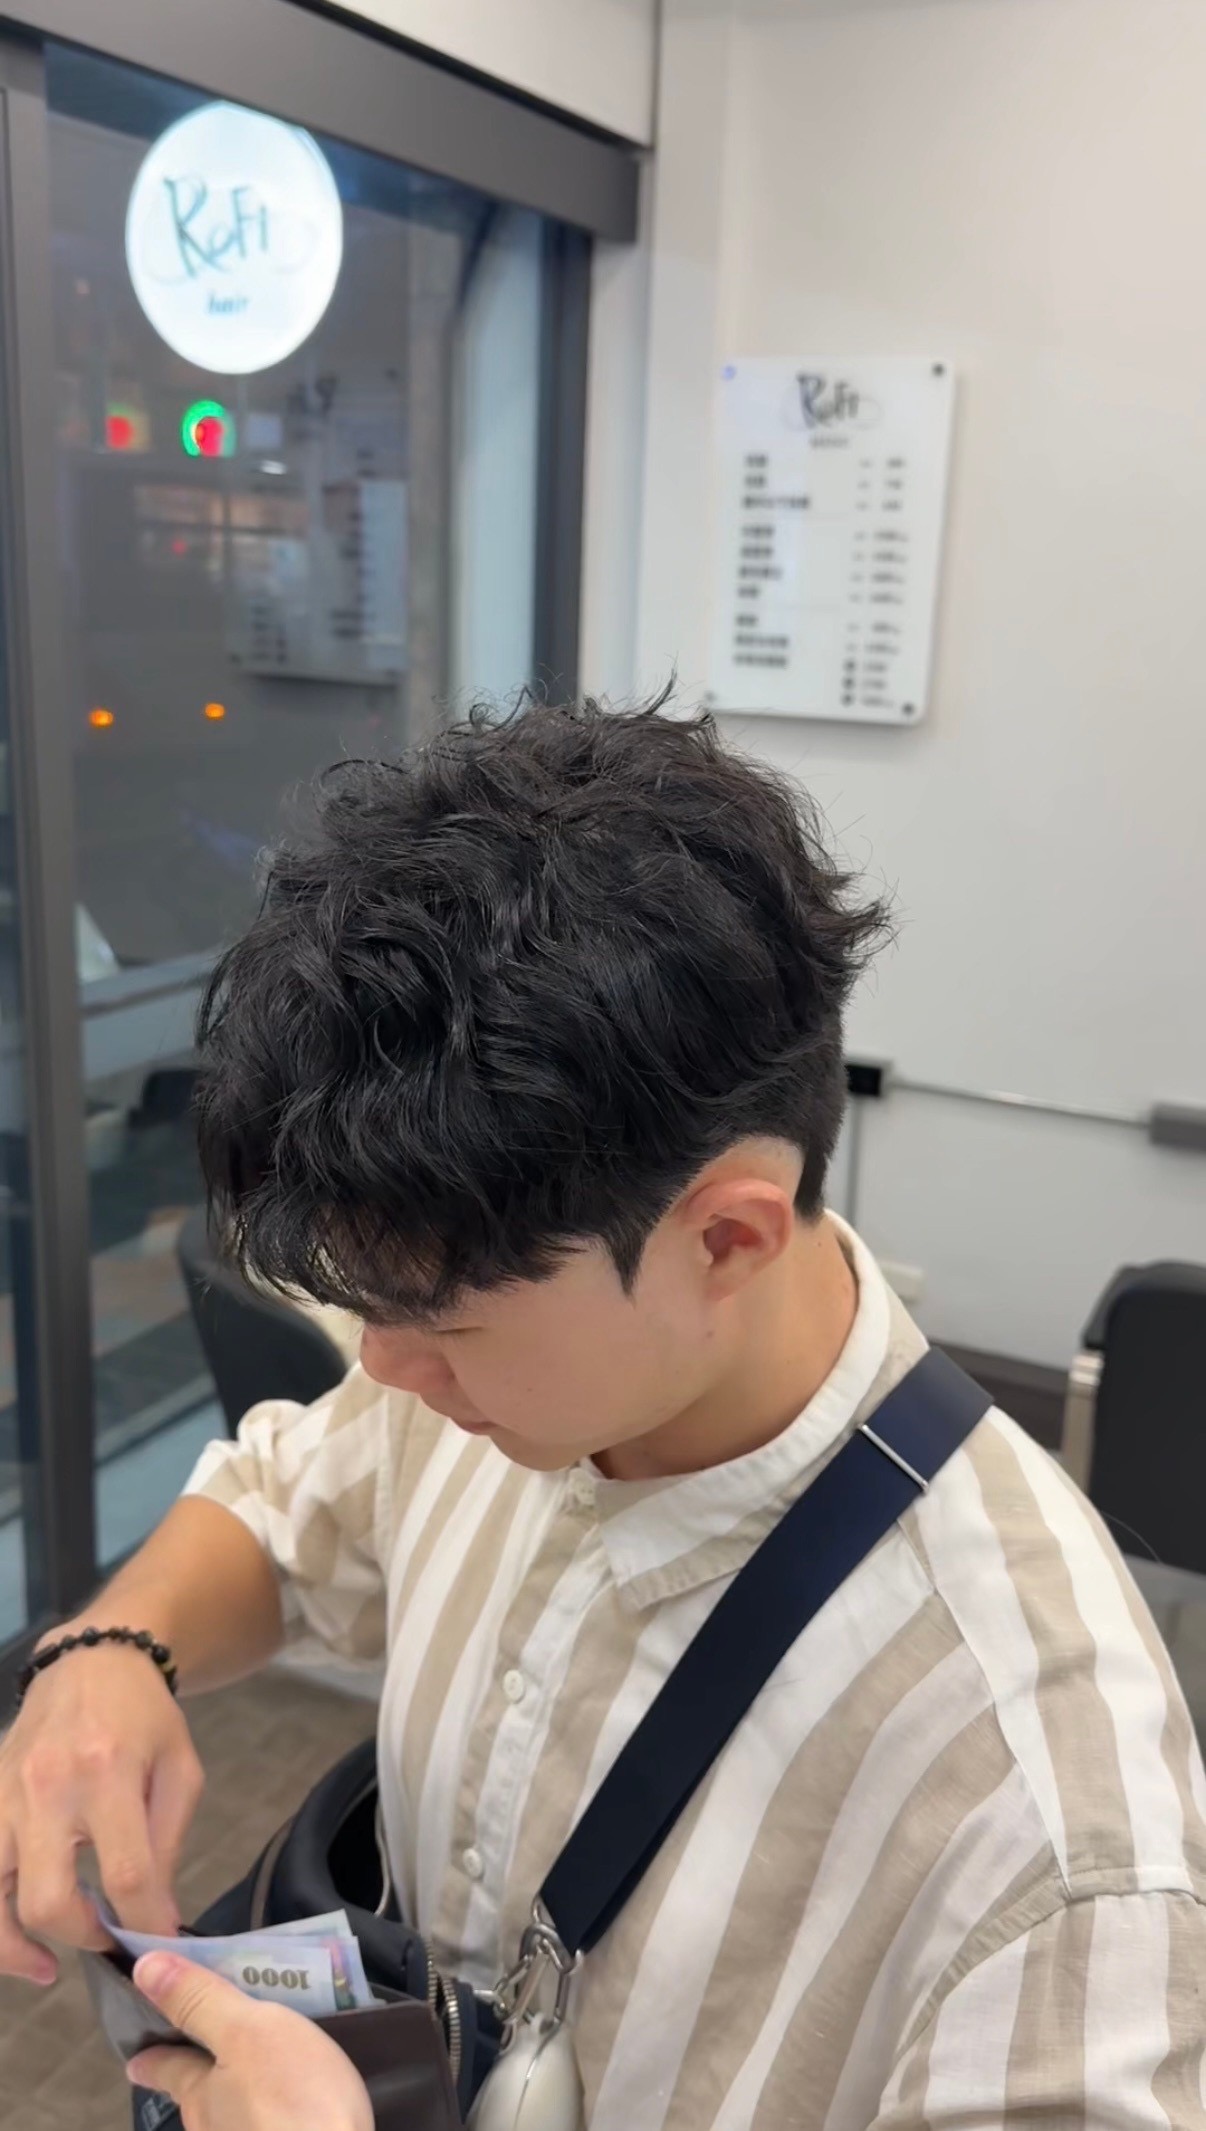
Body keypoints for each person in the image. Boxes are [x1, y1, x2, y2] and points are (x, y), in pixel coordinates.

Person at [1, 700, 1204, 2131]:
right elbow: (286, 1504)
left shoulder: (1051, 1835)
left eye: (442, 1322)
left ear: (727, 1239)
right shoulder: (482, 1382)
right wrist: (114, 1652)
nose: (382, 1367)